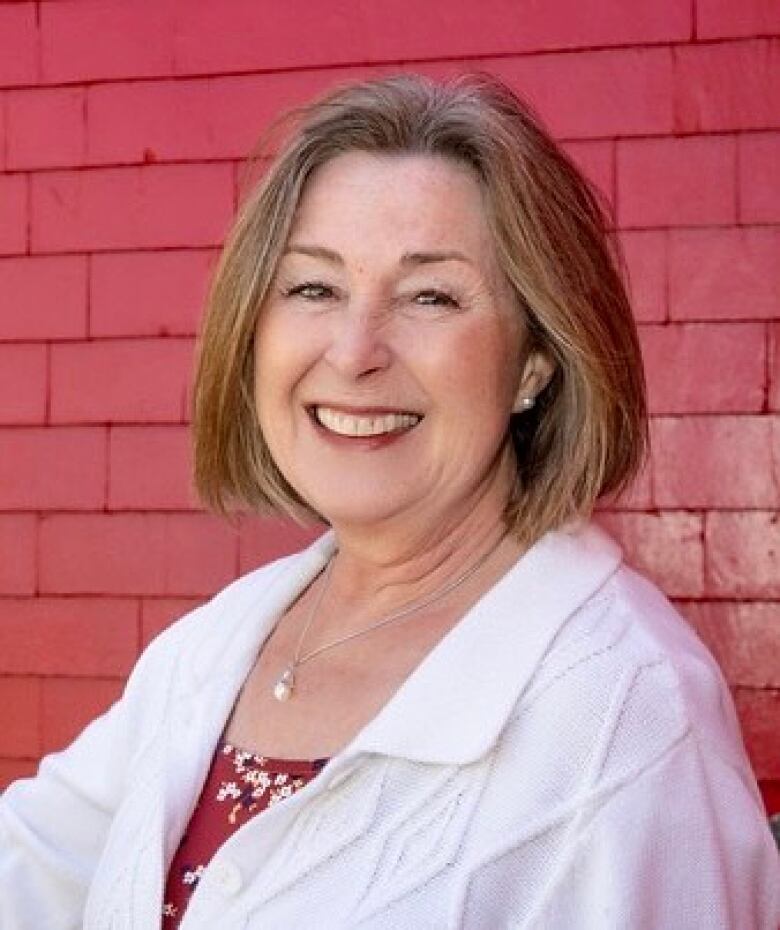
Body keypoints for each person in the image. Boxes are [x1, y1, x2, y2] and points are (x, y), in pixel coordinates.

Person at [1, 73, 778, 930]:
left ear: (536, 361)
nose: (355, 350)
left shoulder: (628, 721)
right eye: (313, 288)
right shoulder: (213, 649)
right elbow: (32, 869)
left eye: (430, 296)